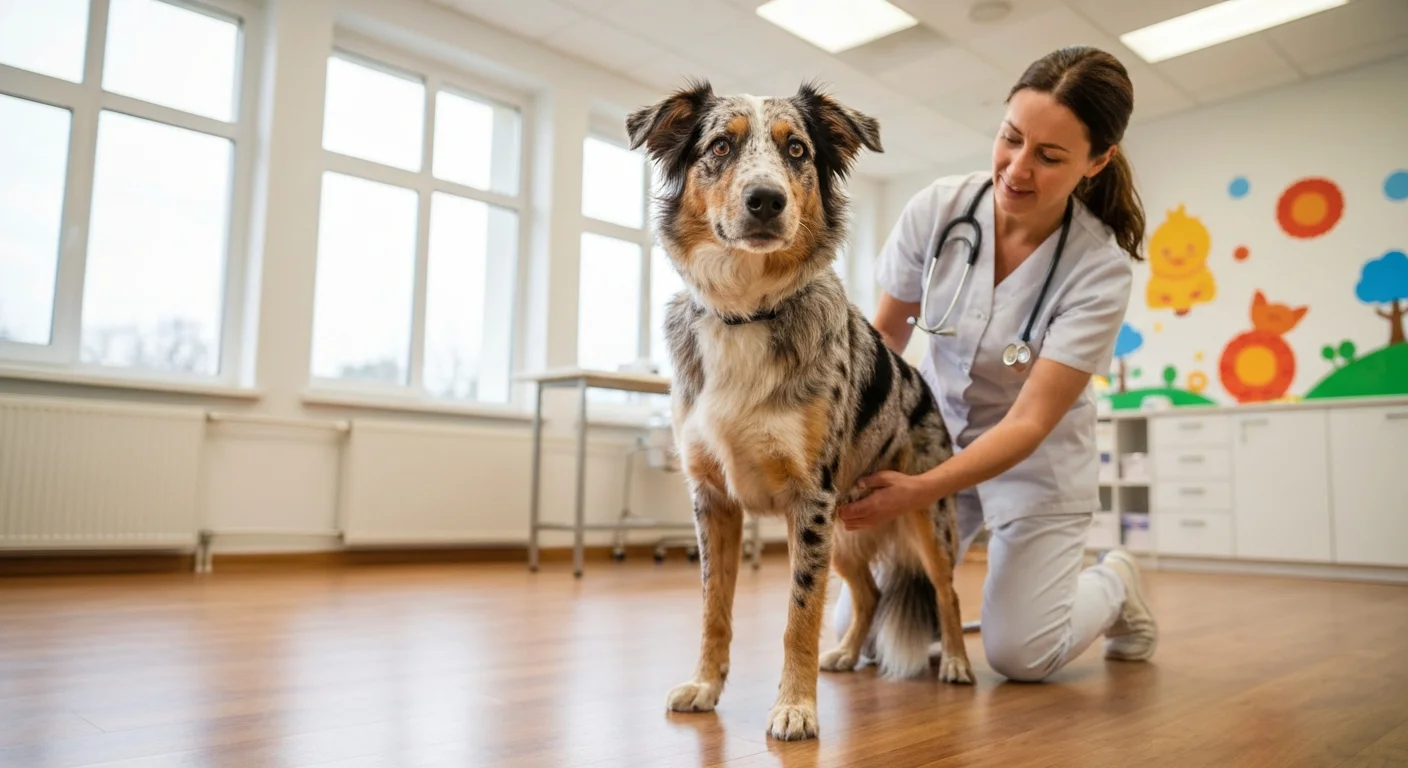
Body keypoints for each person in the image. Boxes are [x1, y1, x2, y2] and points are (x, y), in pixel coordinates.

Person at [833, 45, 1157, 683]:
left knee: (1020, 656)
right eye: (1011, 138)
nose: (1017, 168)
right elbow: (883, 343)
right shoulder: (940, 209)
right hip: (932, 441)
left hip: (1033, 466)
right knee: (871, 639)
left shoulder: (1099, 270)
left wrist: (923, 490)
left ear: (1098, 162)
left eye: (1049, 156)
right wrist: (849, 440)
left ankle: (1116, 584)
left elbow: (1032, 421)